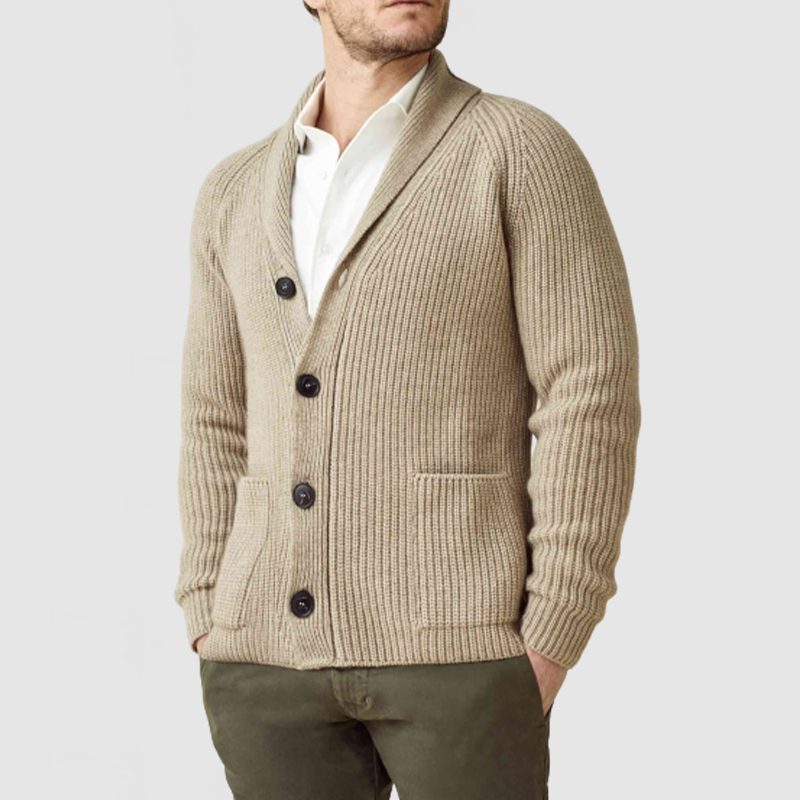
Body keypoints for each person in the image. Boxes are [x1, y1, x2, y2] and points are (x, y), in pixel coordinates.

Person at [174, 1, 641, 797]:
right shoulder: (235, 189)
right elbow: (215, 414)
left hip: (464, 653)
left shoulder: (517, 149)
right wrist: (209, 609)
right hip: (261, 663)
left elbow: (588, 388)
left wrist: (555, 627)